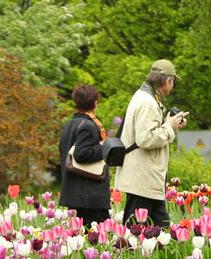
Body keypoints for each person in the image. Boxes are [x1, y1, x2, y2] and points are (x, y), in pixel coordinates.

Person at [115, 59, 188, 227]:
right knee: (135, 231)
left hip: (145, 177)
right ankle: (126, 252)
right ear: (168, 80)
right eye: (173, 82)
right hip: (143, 176)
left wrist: (170, 124)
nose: (173, 86)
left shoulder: (143, 96)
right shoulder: (148, 102)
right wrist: (170, 126)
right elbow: (145, 138)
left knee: (161, 229)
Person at [58, 84, 110, 228]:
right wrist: (105, 147)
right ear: (95, 103)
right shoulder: (88, 125)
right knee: (100, 239)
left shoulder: (69, 125)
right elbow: (81, 154)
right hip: (89, 196)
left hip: (75, 194)